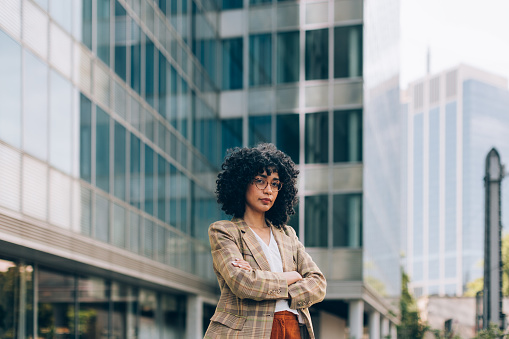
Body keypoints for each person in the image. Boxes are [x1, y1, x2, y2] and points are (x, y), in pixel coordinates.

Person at [204, 143, 327, 339]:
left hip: (293, 327)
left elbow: (318, 284)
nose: (268, 190)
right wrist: (292, 276)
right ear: (242, 183)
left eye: (275, 183)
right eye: (260, 181)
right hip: (247, 332)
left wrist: (266, 282)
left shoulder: (288, 234)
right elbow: (242, 283)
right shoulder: (225, 231)